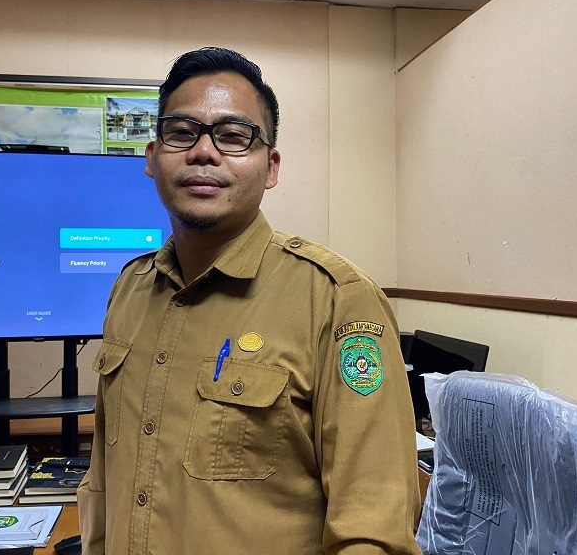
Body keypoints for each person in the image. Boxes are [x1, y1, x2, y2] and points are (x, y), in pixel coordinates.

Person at [78, 47, 421, 555]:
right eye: (181, 132)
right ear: (151, 157)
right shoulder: (130, 287)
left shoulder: (337, 299)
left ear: (270, 167)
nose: (203, 152)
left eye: (234, 136)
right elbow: (104, 482)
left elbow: (373, 531)